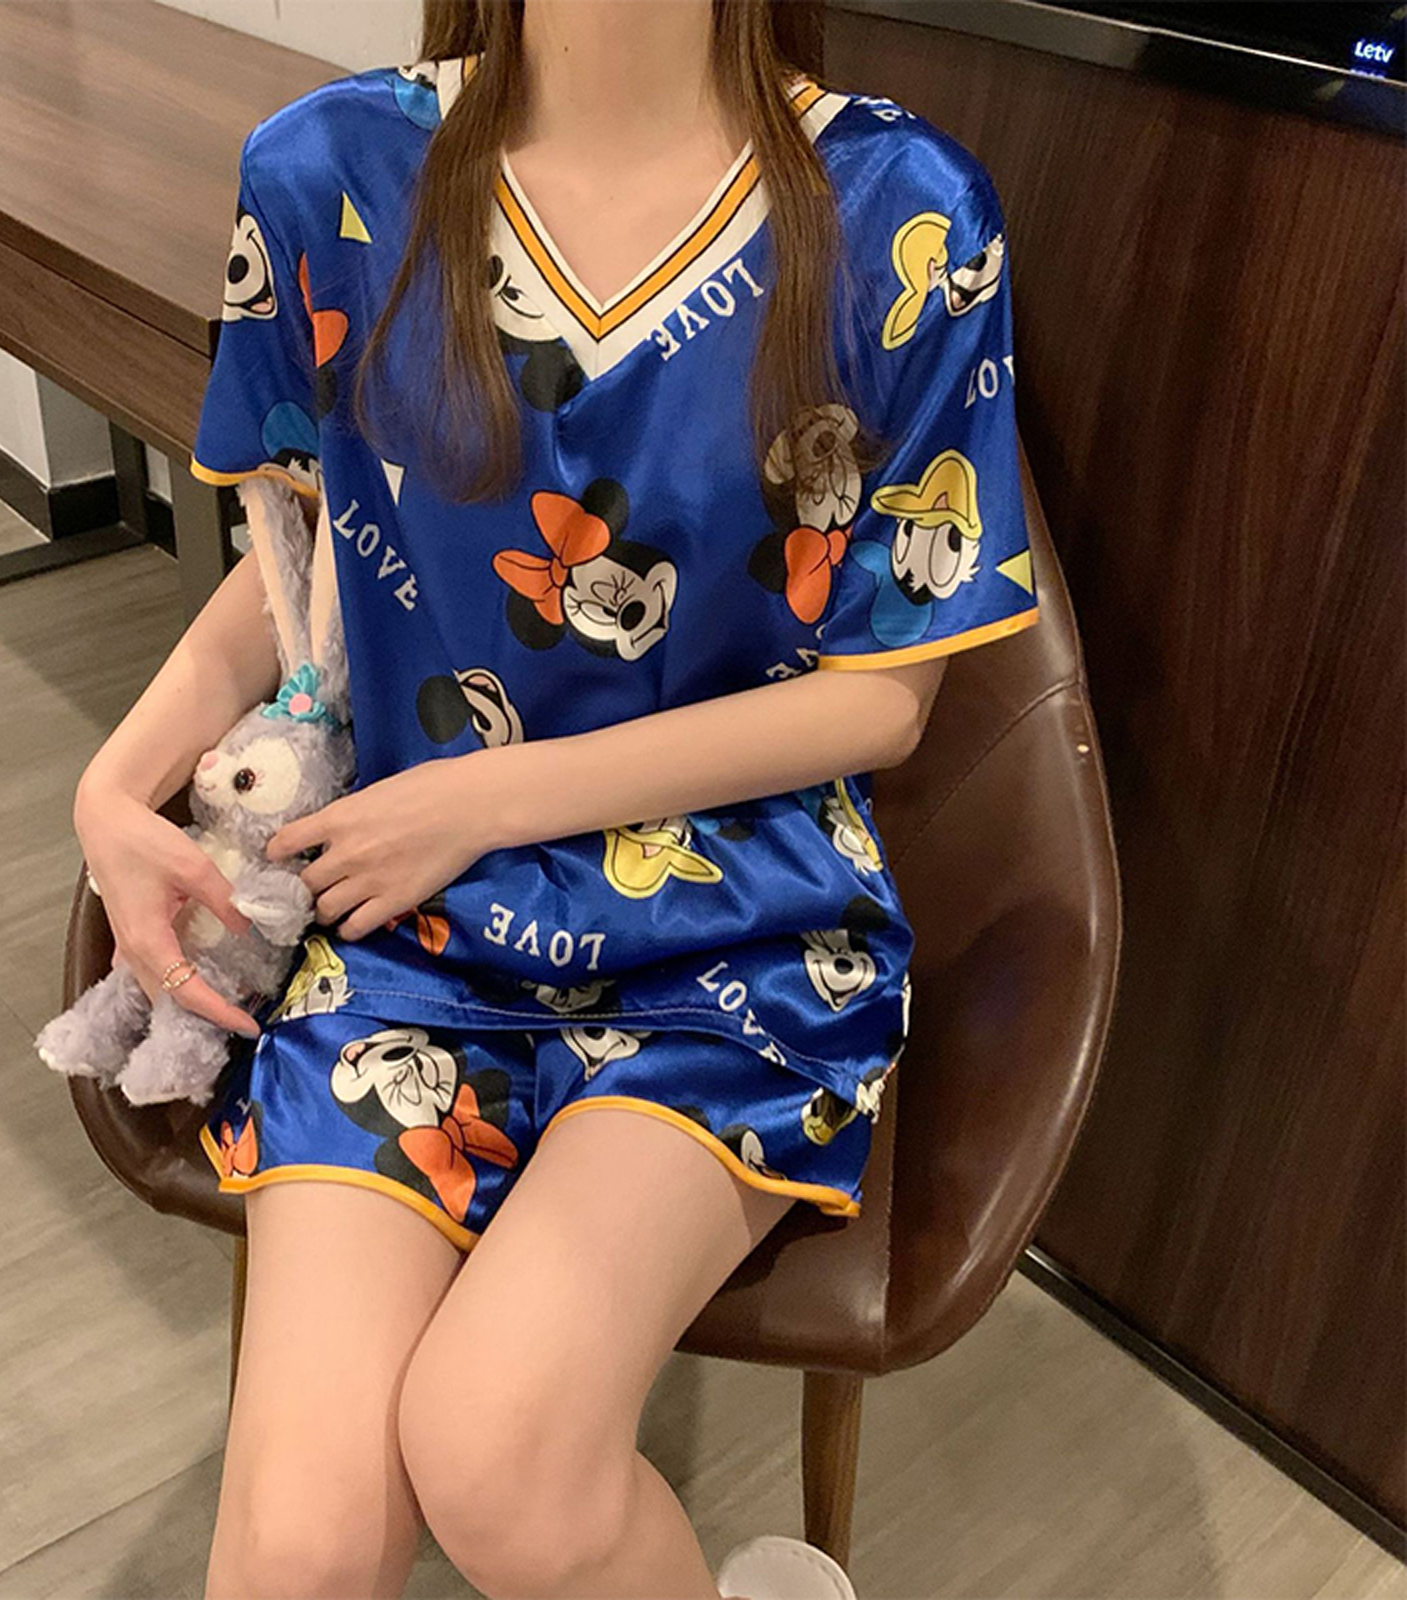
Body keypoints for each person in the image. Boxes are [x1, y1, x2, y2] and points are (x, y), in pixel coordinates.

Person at [72, 1, 1039, 1594]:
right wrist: (113, 788)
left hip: (736, 928)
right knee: (298, 1552)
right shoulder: (330, 172)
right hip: (408, 923)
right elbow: (302, 561)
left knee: (498, 1453)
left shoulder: (903, 214)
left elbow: (887, 693)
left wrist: (491, 799)